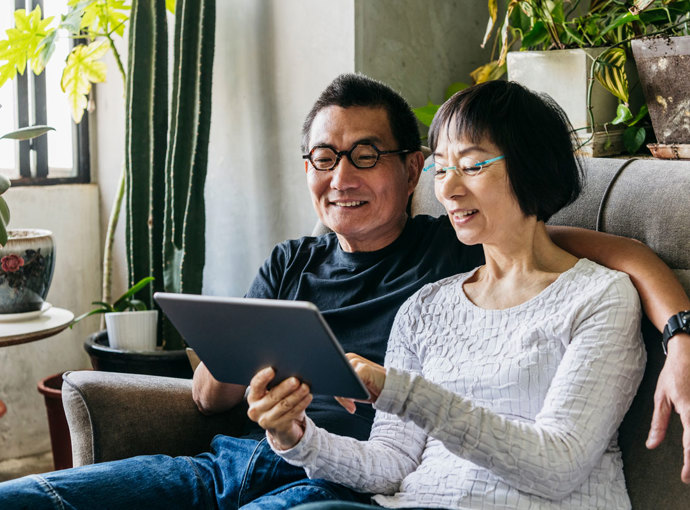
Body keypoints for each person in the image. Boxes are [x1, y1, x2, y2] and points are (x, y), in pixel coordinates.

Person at [0, 73, 688, 510]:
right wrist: (284, 421)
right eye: (324, 159)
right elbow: (212, 398)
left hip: (334, 489)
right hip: (246, 460)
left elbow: (608, 254)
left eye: (366, 155)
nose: (341, 177)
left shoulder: (452, 245)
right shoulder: (333, 274)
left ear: (407, 168)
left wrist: (681, 333)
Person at [248, 80, 646, 508]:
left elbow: (558, 464)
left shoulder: (599, 298)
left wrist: (398, 390)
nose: (448, 190)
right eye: (441, 169)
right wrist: (294, 435)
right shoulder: (425, 307)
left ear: (534, 166)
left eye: (472, 166)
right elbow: (390, 464)